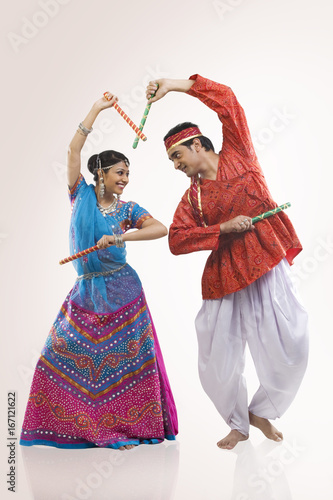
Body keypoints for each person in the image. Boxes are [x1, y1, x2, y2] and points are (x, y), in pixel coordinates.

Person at [146, 75, 308, 450]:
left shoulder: (239, 152)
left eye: (177, 156)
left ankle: (262, 411)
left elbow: (228, 100)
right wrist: (222, 228)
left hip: (265, 261)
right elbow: (175, 239)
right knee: (218, 354)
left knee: (294, 340)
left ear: (198, 144)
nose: (175, 165)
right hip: (226, 274)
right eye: (171, 160)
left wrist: (174, 84)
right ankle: (237, 423)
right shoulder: (193, 199)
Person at [20, 91, 178, 450]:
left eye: (128, 174)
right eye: (120, 173)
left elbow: (160, 229)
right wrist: (96, 109)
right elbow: (73, 152)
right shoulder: (80, 195)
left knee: (128, 363)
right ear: (101, 173)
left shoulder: (128, 209)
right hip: (86, 289)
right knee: (59, 352)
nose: (125, 179)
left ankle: (125, 426)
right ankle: (81, 425)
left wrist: (122, 236)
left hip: (124, 292)